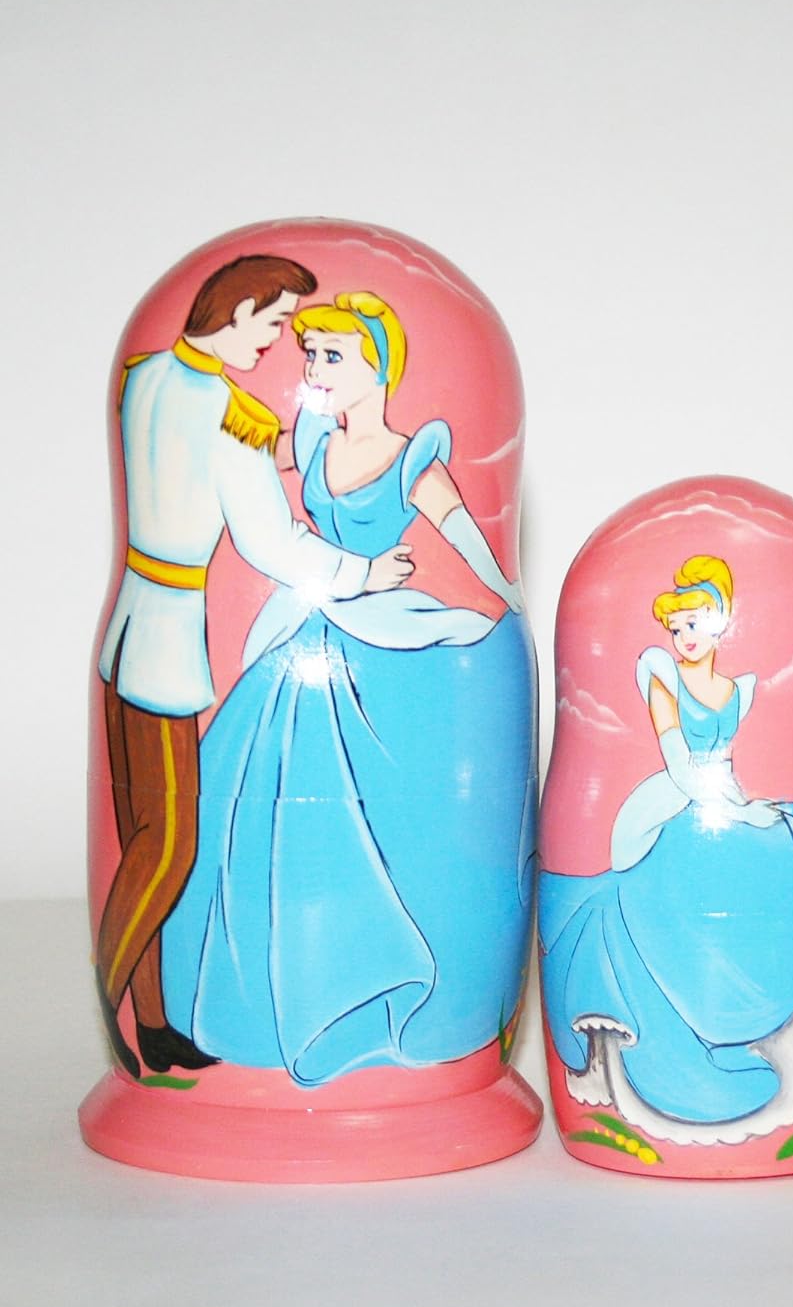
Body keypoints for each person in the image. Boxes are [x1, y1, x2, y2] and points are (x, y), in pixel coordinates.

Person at [159, 291, 534, 1086]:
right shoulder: (311, 439)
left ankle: (387, 979)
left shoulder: (411, 460)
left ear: (379, 365)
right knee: (255, 796)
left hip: (380, 630)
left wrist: (508, 595)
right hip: (309, 630)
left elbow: (462, 533)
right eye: (311, 355)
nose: (315, 369)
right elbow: (245, 473)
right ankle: (265, 996)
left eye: (332, 355)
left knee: (396, 806)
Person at [96, 256, 413, 1079]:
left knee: (143, 836)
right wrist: (362, 572)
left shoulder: (143, 376)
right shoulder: (231, 416)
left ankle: (153, 1024)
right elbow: (271, 544)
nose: (274, 342)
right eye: (273, 323)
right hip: (164, 644)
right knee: (169, 843)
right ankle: (113, 994)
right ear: (238, 311)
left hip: (125, 624)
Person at [539, 555, 793, 1146]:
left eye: (695, 622)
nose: (684, 636)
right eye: (676, 626)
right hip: (678, 803)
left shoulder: (734, 690)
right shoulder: (663, 678)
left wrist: (741, 805)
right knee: (691, 878)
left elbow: (725, 758)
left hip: (727, 796)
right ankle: (711, 1027)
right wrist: (733, 807)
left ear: (720, 617)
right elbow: (680, 760)